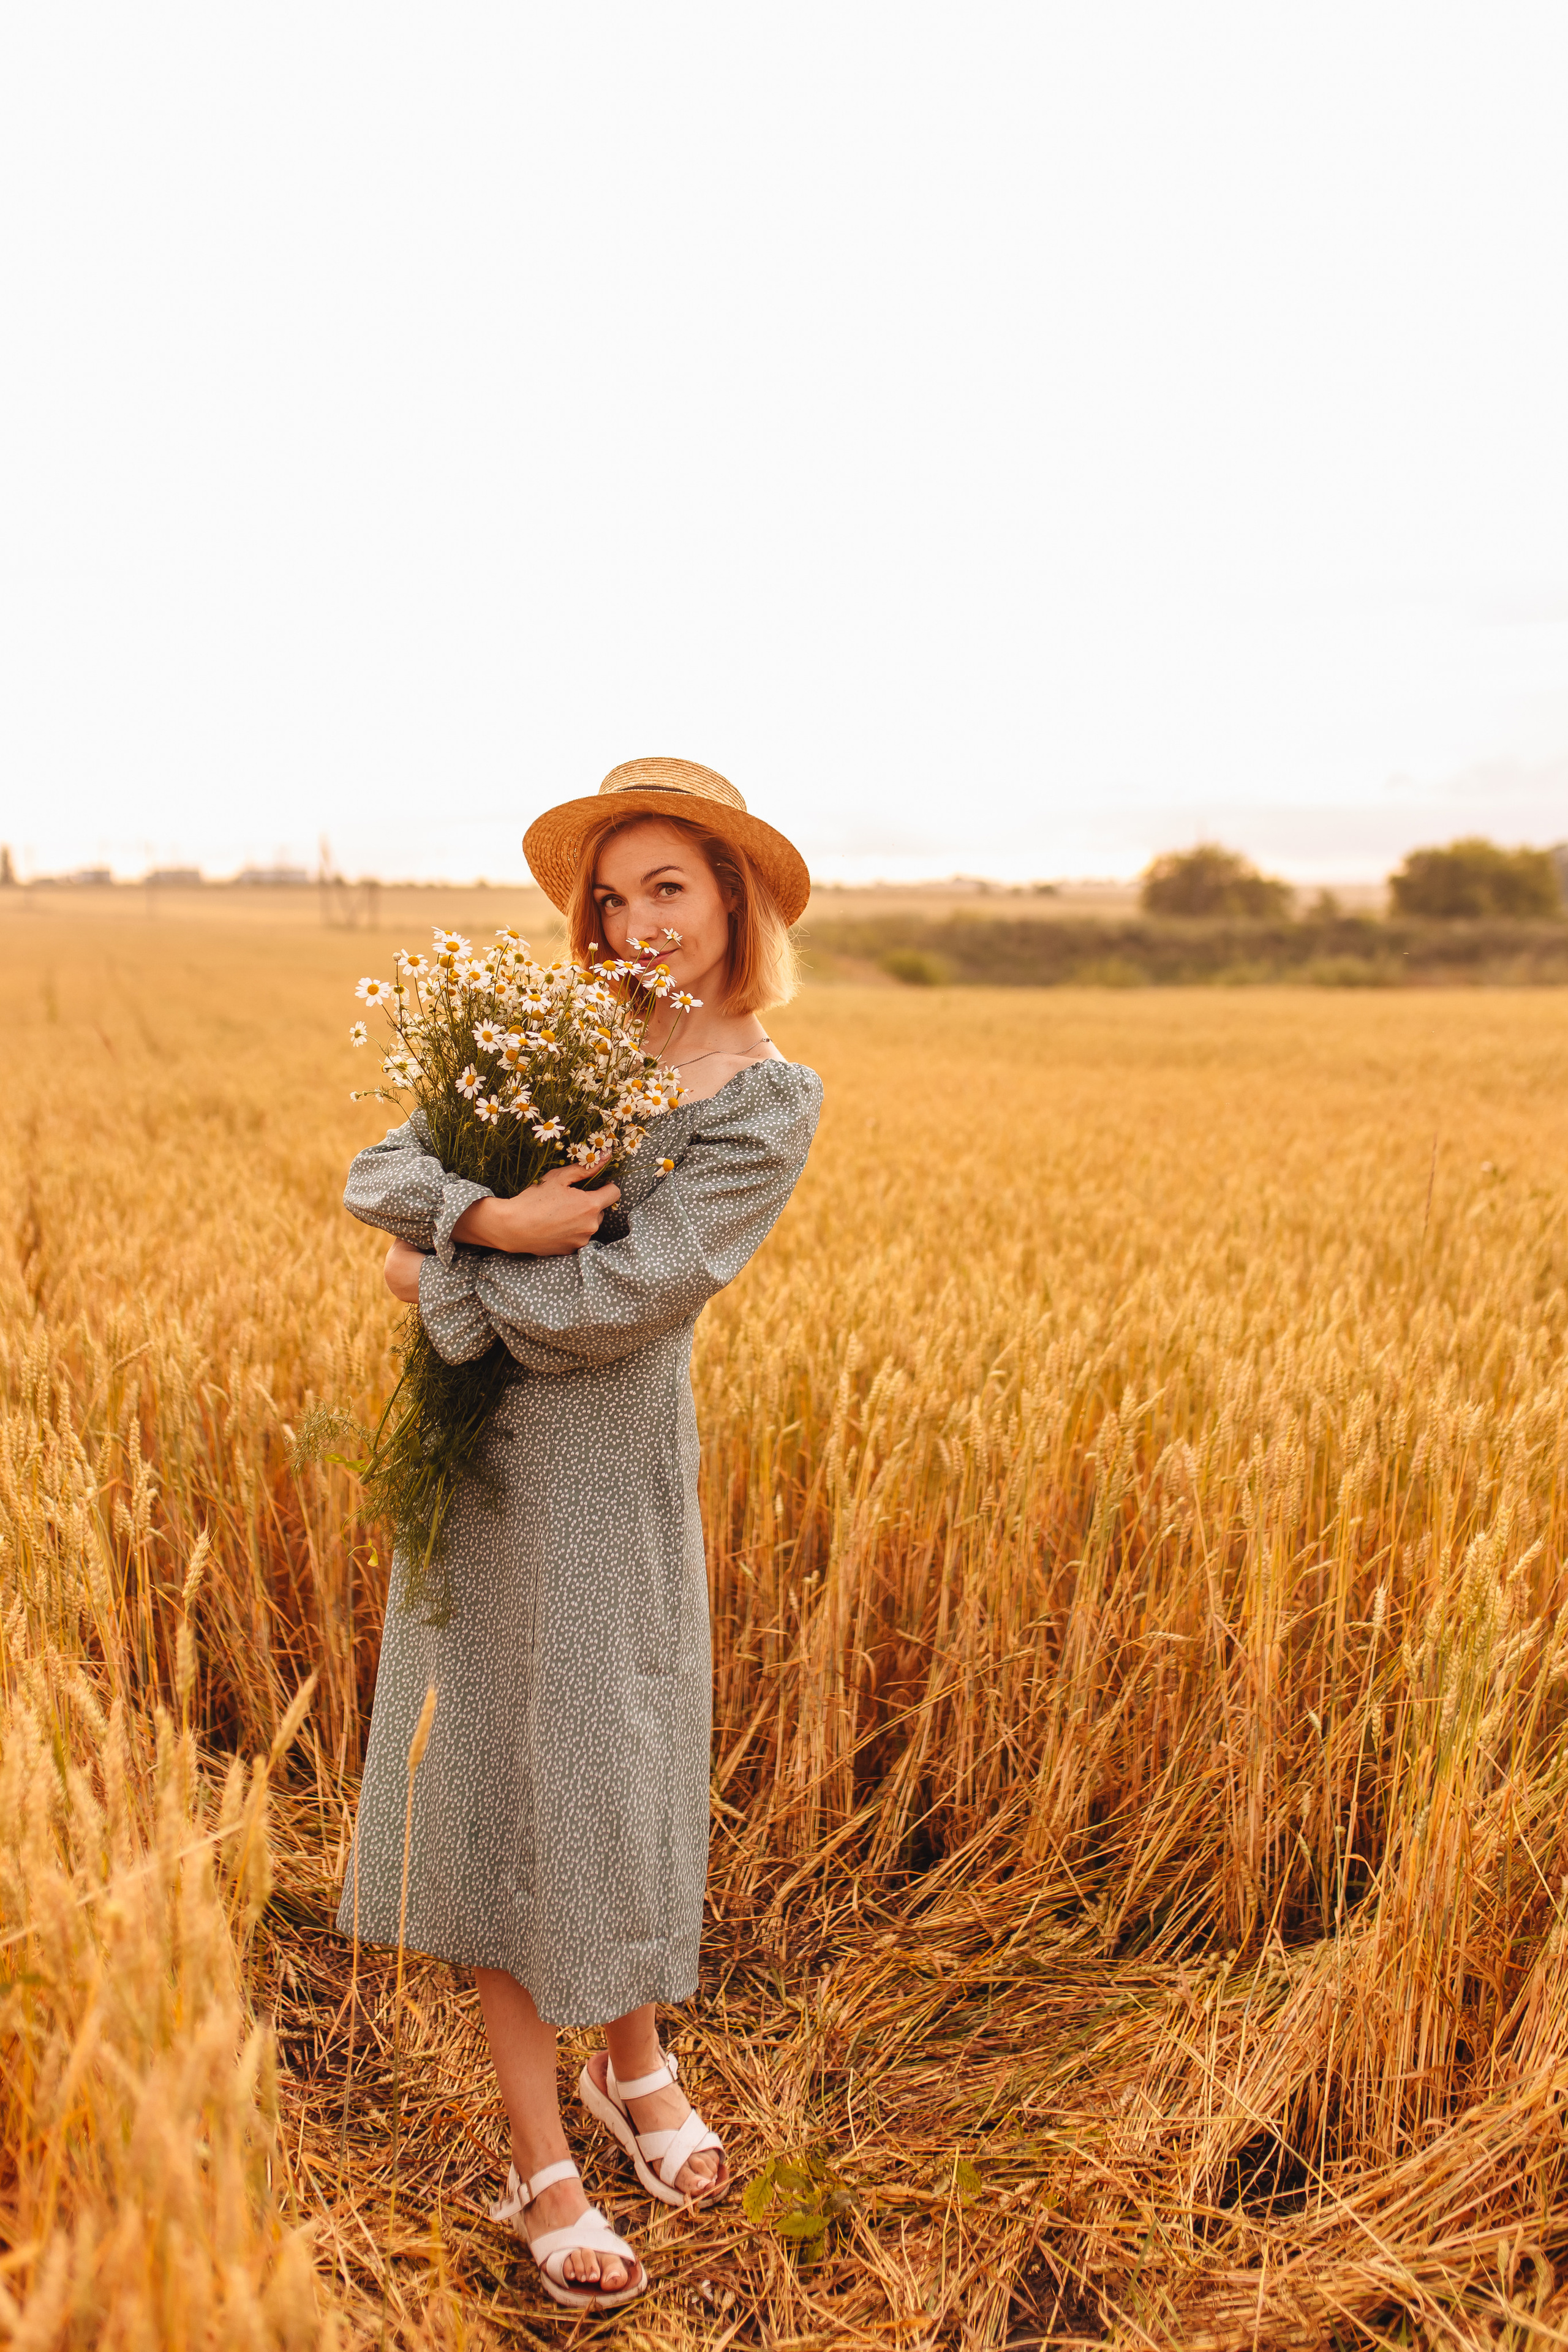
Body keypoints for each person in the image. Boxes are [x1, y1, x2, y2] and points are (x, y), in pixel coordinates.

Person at [337, 758, 821, 2310]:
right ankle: (543, 2155)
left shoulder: (764, 1101)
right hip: (475, 1477)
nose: (634, 923)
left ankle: (638, 2067)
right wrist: (491, 1222)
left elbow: (623, 1303)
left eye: (665, 887)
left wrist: (444, 1282)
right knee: (499, 1773)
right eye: (609, 898)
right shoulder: (548, 1038)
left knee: (611, 1765)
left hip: (610, 1479)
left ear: (732, 898)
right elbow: (381, 1173)